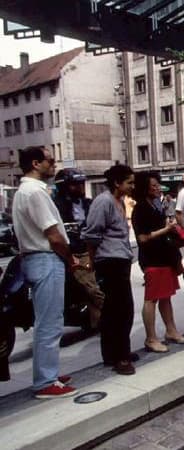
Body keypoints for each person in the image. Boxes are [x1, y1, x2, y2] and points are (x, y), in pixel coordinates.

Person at [12, 146, 82, 398]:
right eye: (50, 161)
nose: (53, 165)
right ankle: (45, 382)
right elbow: (53, 235)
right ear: (35, 163)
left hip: (36, 258)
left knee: (48, 320)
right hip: (45, 258)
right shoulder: (35, 193)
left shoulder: (24, 191)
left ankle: (48, 373)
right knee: (50, 322)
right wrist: (70, 257)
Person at [83, 164, 137, 376]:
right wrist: (93, 261)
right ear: (117, 183)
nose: (132, 186)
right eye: (129, 182)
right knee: (121, 310)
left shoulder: (120, 201)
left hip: (120, 259)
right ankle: (120, 357)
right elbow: (92, 234)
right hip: (109, 261)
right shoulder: (103, 201)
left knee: (116, 309)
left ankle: (115, 353)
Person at [132, 172, 184, 353]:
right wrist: (166, 229)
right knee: (152, 299)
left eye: (158, 185)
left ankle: (171, 330)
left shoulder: (155, 206)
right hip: (152, 259)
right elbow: (142, 238)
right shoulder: (141, 208)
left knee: (166, 296)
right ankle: (151, 338)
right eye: (154, 186)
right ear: (145, 188)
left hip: (164, 257)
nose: (158, 188)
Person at [53, 168, 104, 330]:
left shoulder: (88, 203)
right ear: (64, 187)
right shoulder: (56, 206)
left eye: (82, 183)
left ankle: (100, 322)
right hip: (72, 253)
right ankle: (112, 315)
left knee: (96, 287)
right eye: (75, 184)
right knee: (93, 290)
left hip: (91, 249)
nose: (80, 187)